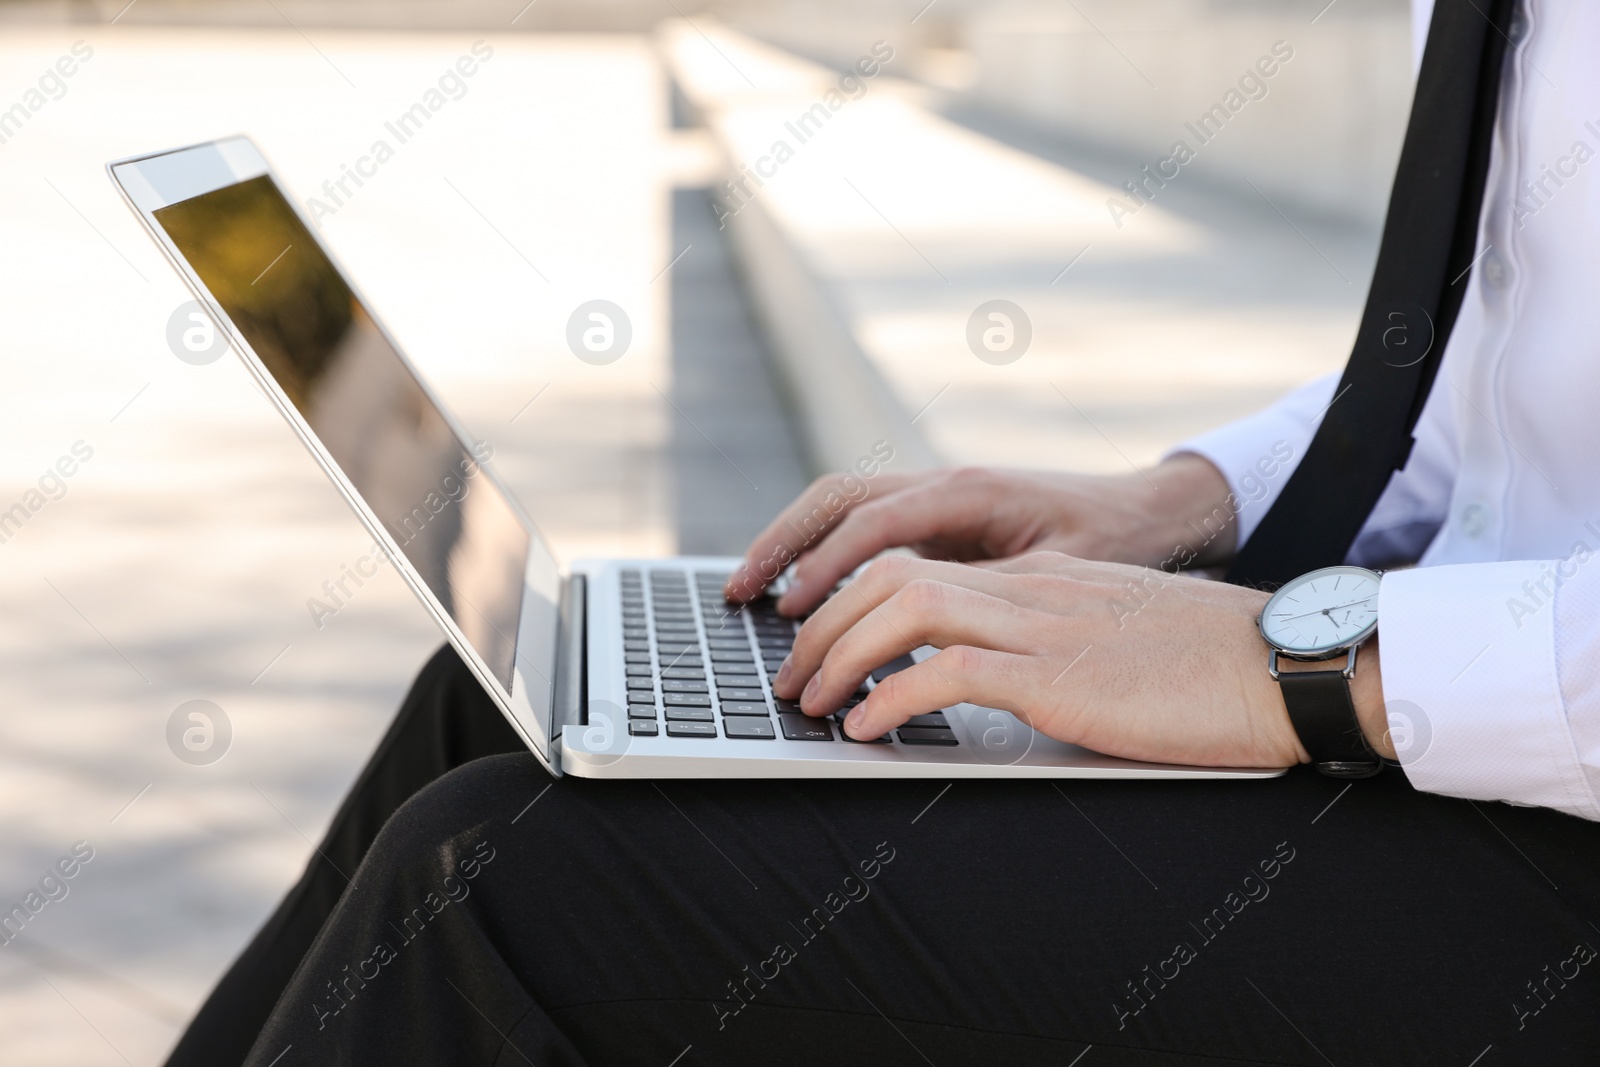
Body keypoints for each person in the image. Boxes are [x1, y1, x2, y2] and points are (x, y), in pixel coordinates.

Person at [167, 1, 1600, 1063]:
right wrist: (1173, 505)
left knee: (504, 880)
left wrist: (1306, 669)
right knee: (496, 714)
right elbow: (1498, 381)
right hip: (1469, 715)